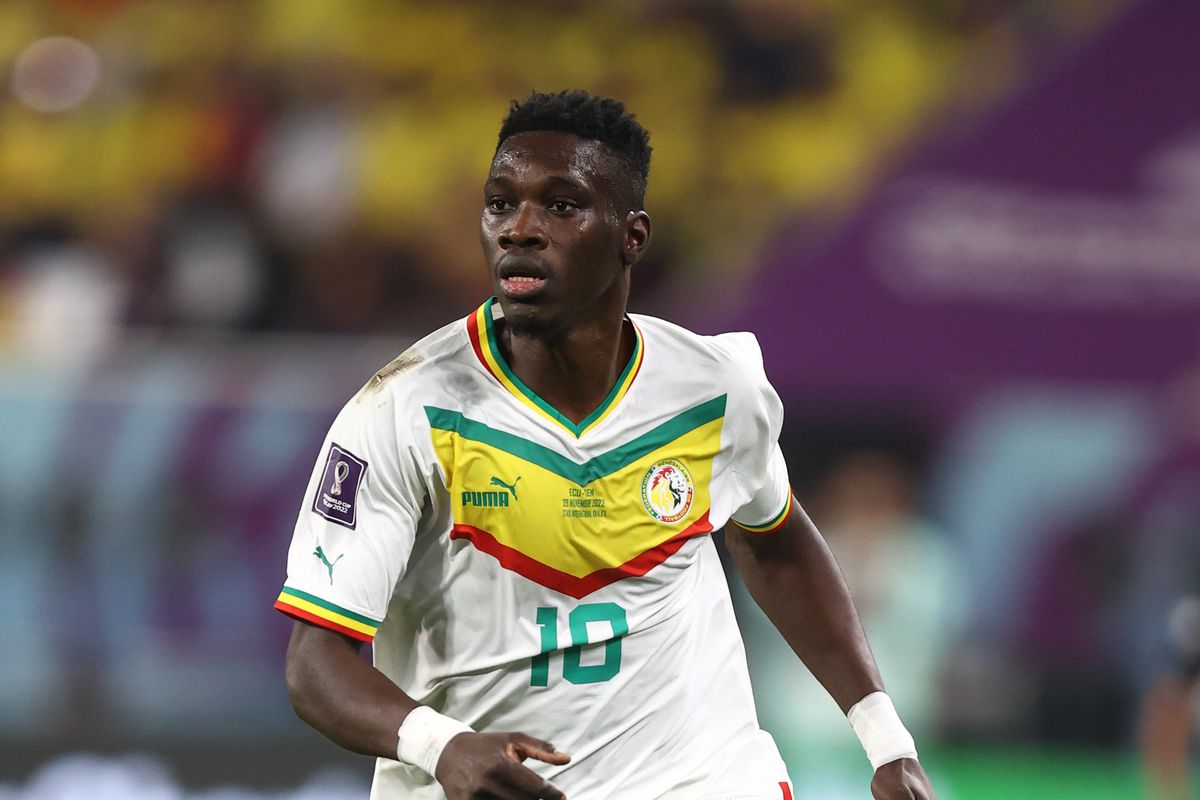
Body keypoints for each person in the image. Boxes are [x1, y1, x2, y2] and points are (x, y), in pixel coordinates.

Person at [275, 90, 936, 800]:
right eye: (500, 204)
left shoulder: (715, 389)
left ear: (632, 236)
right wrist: (442, 746)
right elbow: (315, 664)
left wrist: (886, 740)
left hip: (697, 778)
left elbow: (775, 542)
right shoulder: (404, 411)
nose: (519, 229)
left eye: (561, 206)